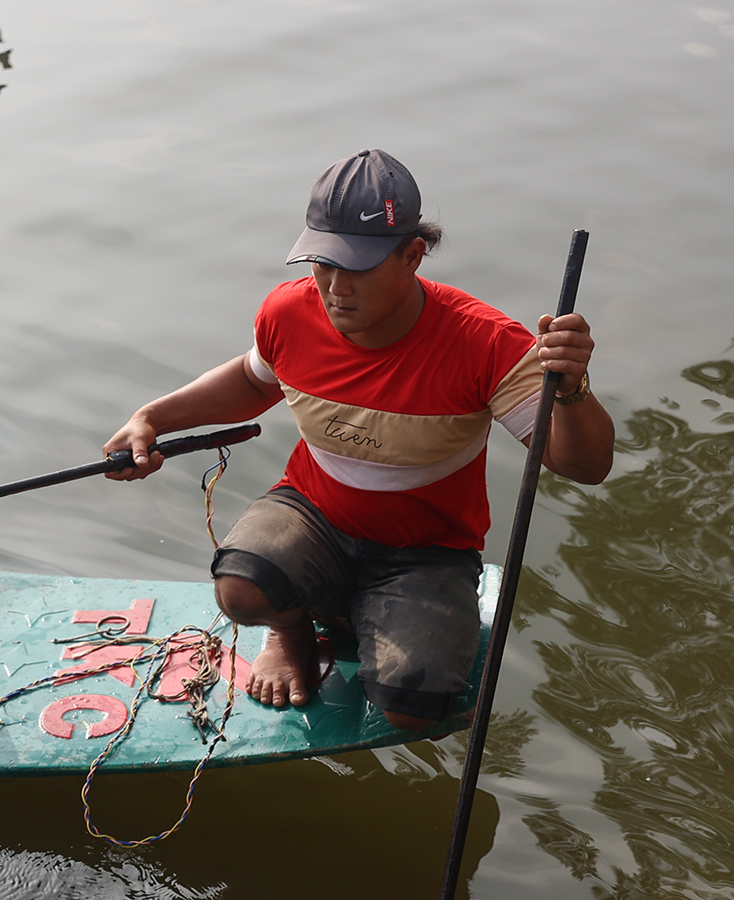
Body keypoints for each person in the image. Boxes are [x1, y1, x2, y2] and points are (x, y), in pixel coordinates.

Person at [104, 149, 614, 730]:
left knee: (411, 709)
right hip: (316, 512)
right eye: (323, 262)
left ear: (412, 255)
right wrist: (152, 419)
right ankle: (292, 632)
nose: (335, 288)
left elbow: (585, 465)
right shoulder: (288, 313)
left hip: (425, 549)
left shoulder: (487, 343)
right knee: (242, 588)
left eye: (360, 267)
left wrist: (571, 391)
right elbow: (251, 381)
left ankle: (386, 612)